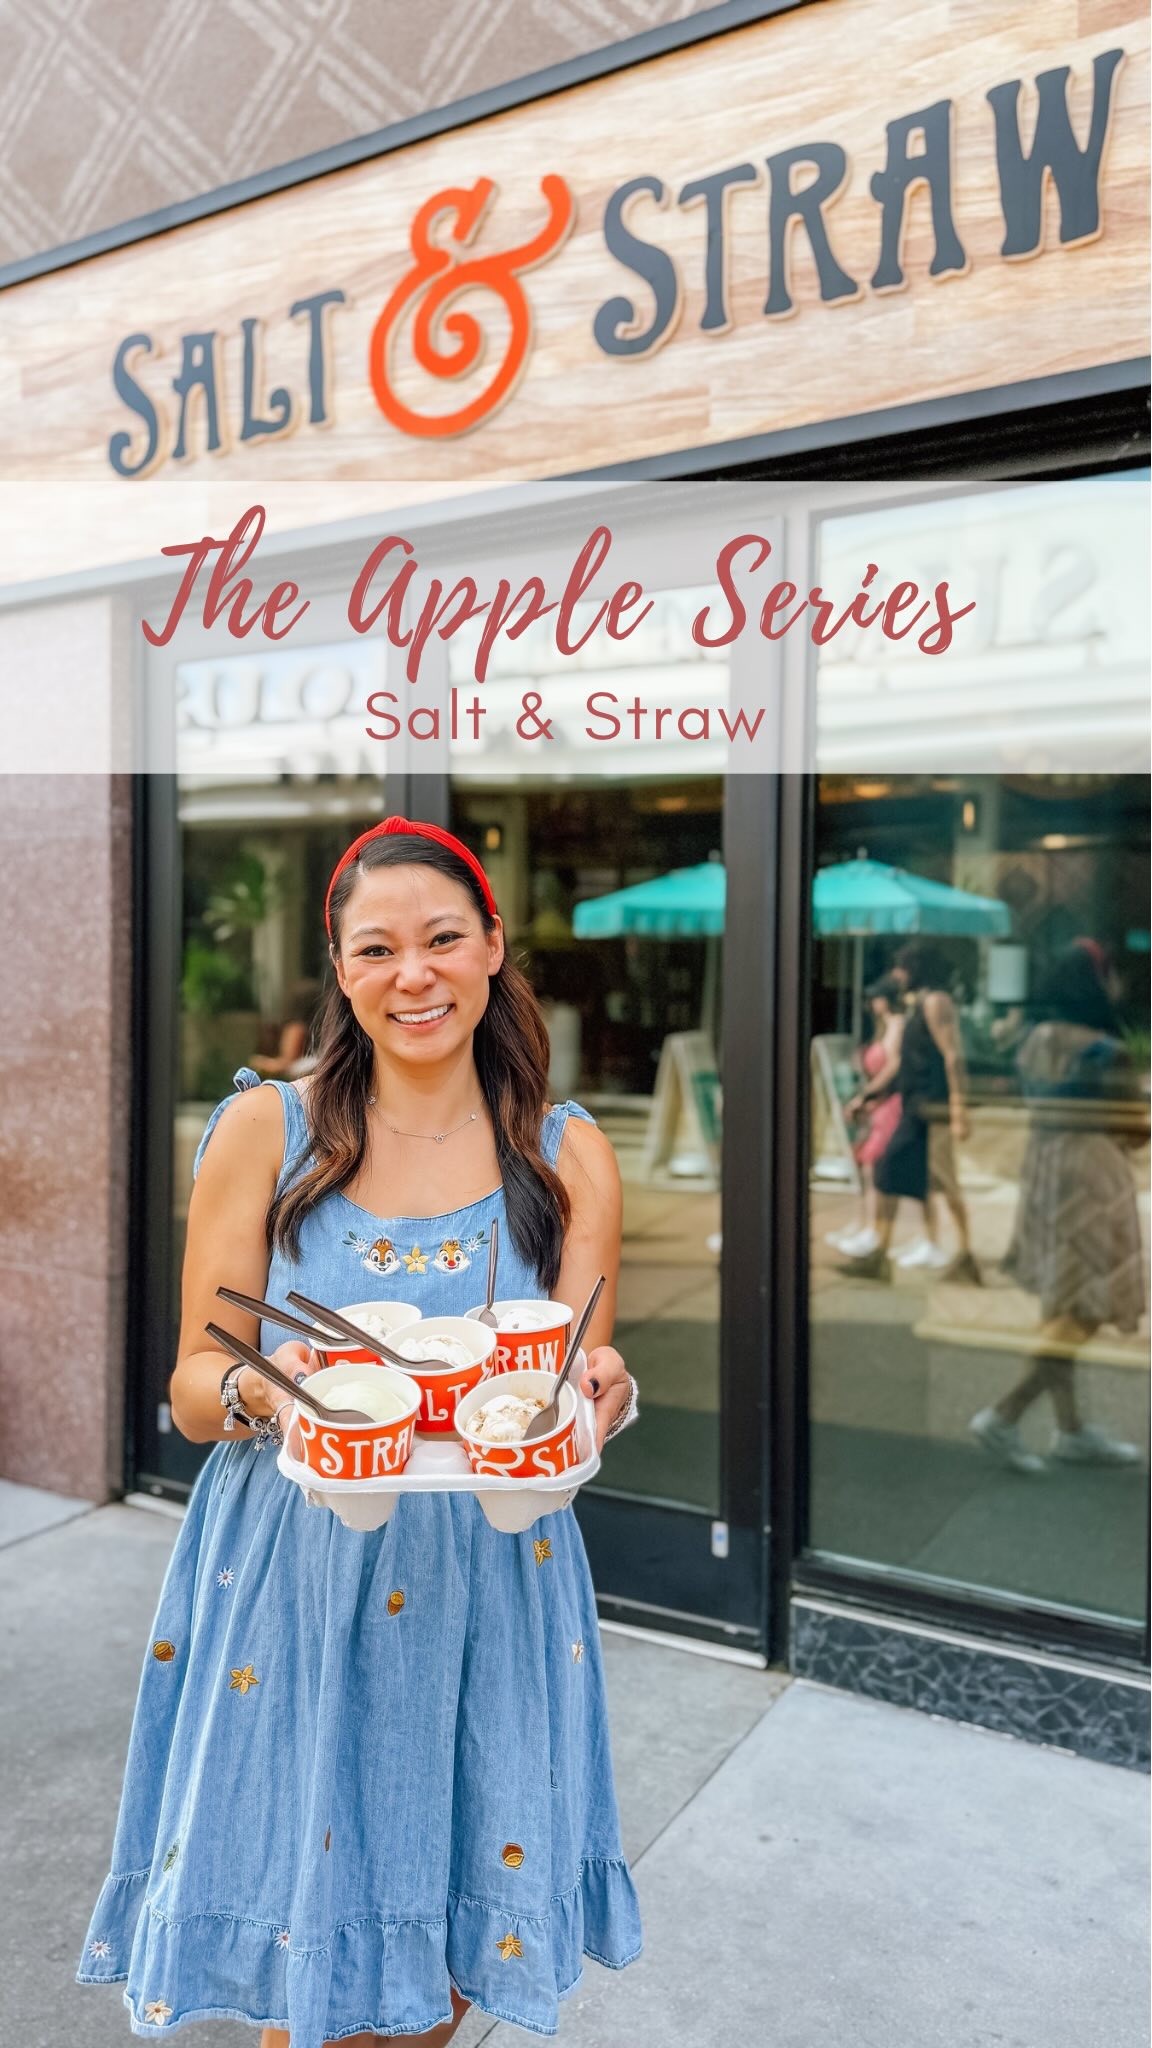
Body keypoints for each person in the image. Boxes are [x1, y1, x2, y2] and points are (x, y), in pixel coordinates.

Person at [78, 817, 642, 2046]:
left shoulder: (570, 1155)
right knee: (314, 1973)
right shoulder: (265, 1132)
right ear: (341, 968)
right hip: (298, 1570)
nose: (413, 973)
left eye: (442, 938)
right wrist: (270, 1391)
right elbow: (193, 1386)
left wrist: (604, 1390)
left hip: (494, 1578)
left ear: (493, 946)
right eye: (377, 948)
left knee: (442, 1969)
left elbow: (570, 1382)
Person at [970, 945, 1146, 1473]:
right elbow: (1133, 1130)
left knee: (1062, 1302)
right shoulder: (1107, 1051)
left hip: (1044, 1170)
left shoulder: (1033, 1039)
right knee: (1086, 1309)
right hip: (1092, 1178)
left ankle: (1071, 1431)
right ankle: (1005, 1414)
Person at [839, 942, 980, 1284]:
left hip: (932, 1108)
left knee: (943, 1179)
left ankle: (966, 1256)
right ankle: (880, 1252)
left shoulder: (936, 1002)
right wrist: (870, 1097)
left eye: (902, 968)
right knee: (891, 1170)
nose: (897, 975)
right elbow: (902, 1065)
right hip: (915, 1105)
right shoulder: (920, 1003)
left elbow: (952, 1055)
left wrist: (958, 1107)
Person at [826, 976, 905, 1257]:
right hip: (876, 1104)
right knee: (865, 1166)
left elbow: (893, 1066)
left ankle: (874, 1230)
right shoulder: (880, 1027)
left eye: (876, 998)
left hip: (888, 1103)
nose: (872, 1004)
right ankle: (864, 1225)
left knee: (875, 1167)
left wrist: (866, 1095)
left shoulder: (896, 1025)